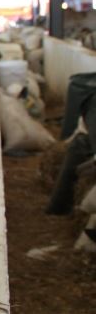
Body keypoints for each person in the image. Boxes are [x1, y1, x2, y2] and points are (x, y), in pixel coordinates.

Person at [46, 72, 96, 215]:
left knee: (78, 148)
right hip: (87, 139)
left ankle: (58, 207)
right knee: (78, 148)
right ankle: (59, 208)